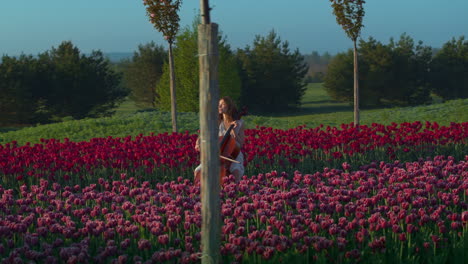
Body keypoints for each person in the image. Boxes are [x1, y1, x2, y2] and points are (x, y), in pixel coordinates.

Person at [194, 96, 245, 183]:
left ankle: (236, 190)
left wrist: (234, 132)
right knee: (198, 170)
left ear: (229, 106)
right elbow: (203, 134)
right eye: (219, 105)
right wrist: (198, 143)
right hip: (217, 154)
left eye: (223, 104)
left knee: (235, 170)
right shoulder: (216, 122)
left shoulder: (239, 123)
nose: (219, 106)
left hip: (233, 154)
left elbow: (241, 143)